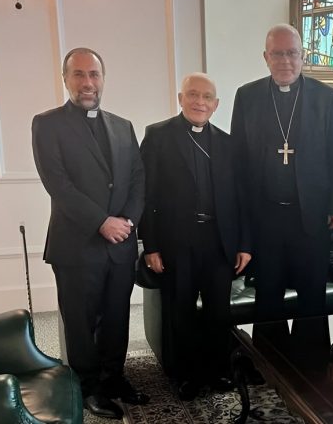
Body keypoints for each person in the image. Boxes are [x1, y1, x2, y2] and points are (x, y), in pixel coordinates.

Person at [32, 47, 148, 419]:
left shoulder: (122, 125)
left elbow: (136, 179)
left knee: (117, 316)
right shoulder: (47, 124)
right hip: (77, 244)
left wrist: (127, 220)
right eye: (78, 74)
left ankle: (114, 378)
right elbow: (59, 185)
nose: (87, 82)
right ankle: (88, 388)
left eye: (94, 75)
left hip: (120, 244)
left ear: (102, 79)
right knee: (81, 323)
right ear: (65, 79)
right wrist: (102, 221)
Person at [139, 73, 251, 400]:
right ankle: (184, 375)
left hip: (218, 241)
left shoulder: (228, 143)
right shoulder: (158, 136)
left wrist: (244, 244)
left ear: (216, 105)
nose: (199, 102)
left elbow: (239, 198)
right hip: (177, 242)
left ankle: (218, 371)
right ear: (180, 98)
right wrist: (152, 246)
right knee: (181, 311)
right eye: (192, 94)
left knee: (219, 312)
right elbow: (147, 195)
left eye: (206, 97)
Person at [230, 24, 333, 321]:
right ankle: (267, 365)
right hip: (266, 215)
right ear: (265, 57)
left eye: (292, 53)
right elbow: (239, 160)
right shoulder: (248, 96)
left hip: (310, 215)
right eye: (277, 53)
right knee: (268, 296)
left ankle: (311, 365)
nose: (285, 61)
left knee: (312, 296)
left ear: (303, 55)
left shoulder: (326, 97)